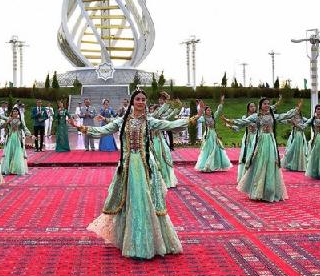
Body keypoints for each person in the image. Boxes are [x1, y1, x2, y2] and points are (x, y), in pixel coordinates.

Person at [69, 89, 204, 259]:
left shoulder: (149, 120)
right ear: (133, 101)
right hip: (127, 166)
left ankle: (147, 241)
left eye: (143, 99)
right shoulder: (122, 121)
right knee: (130, 199)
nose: (140, 102)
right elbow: (102, 131)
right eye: (138, 99)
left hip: (145, 166)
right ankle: (130, 239)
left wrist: (196, 117)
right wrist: (80, 127)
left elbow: (170, 125)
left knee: (144, 198)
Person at [225, 98, 301, 202]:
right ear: (260, 105)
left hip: (270, 141)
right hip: (261, 141)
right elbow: (244, 121)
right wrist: (230, 121)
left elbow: (285, 115)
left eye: (268, 104)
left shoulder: (272, 115)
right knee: (260, 162)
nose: (267, 105)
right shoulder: (256, 116)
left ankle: (270, 191)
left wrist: (296, 109)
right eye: (265, 104)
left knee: (271, 163)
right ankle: (258, 191)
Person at [195, 96, 232, 172]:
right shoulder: (203, 118)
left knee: (216, 148)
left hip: (213, 134)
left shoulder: (213, 117)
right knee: (209, 149)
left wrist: (221, 102)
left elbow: (218, 111)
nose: (209, 111)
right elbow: (197, 120)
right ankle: (207, 165)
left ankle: (215, 165)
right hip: (208, 135)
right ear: (205, 111)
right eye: (208, 110)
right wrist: (199, 108)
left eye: (210, 110)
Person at [1, 107, 32, 175]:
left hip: (18, 138)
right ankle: (8, 168)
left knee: (17, 153)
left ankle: (16, 169)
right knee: (10, 152)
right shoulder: (9, 119)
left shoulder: (20, 120)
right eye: (14, 111)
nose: (15, 112)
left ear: (18, 112)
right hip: (11, 138)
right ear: (12, 113)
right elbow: (1, 117)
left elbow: (24, 128)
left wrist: (30, 135)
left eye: (16, 111)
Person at [281, 107, 308, 172]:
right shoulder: (292, 118)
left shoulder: (302, 118)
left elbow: (307, 123)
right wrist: (288, 120)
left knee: (300, 150)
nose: (296, 111)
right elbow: (282, 121)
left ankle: (299, 165)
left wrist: (296, 124)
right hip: (294, 135)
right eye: (295, 110)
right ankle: (290, 164)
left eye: (297, 110)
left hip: (300, 135)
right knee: (291, 149)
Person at [236, 102, 258, 183]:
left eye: (254, 106)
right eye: (251, 106)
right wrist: (230, 125)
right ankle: (245, 176)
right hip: (248, 138)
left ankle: (254, 177)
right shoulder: (245, 117)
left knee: (254, 155)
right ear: (248, 108)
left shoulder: (258, 116)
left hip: (256, 137)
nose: (253, 108)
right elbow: (240, 125)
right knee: (246, 155)